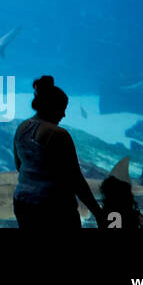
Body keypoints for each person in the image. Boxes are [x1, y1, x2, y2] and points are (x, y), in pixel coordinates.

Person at [12, 75, 103, 228]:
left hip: (23, 204)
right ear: (52, 107)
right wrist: (97, 211)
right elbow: (76, 179)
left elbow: (19, 166)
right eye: (62, 109)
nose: (63, 115)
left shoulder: (22, 128)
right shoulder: (58, 134)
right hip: (54, 207)